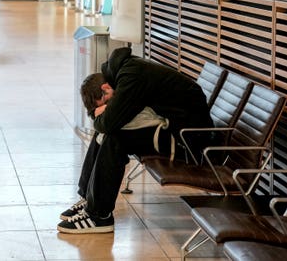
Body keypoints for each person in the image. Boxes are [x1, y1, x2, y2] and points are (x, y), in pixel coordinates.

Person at [57, 47, 213, 234]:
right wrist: (99, 113)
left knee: (114, 138)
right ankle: (89, 200)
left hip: (187, 141)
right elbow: (107, 123)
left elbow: (107, 122)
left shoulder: (131, 78)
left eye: (105, 104)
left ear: (105, 88)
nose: (108, 107)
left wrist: (99, 115)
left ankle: (99, 216)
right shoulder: (126, 70)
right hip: (175, 129)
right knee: (107, 134)